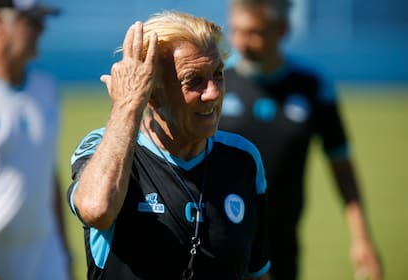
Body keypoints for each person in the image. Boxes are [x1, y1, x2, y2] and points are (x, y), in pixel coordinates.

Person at [67, 10, 272, 280]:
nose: (212, 93)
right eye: (194, 80)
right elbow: (96, 210)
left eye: (218, 74)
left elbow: (256, 273)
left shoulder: (243, 159)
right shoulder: (104, 149)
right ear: (152, 93)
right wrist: (127, 105)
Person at [218, 0, 383, 280]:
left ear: (282, 29)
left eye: (254, 32)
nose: (241, 42)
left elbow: (341, 166)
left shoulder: (312, 87)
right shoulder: (216, 82)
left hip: (283, 244)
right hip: (220, 240)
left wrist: (361, 239)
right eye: (236, 31)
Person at [0, 1, 71, 280]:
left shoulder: (45, 89)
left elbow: (48, 174)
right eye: (32, 21)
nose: (42, 29)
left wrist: (64, 253)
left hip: (44, 259)